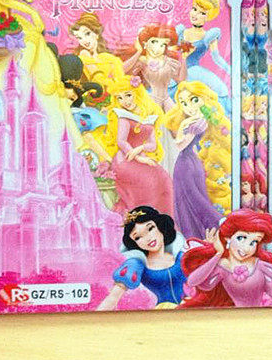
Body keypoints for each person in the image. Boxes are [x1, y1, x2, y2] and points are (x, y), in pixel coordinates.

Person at [180, 209, 272, 308]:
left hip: (258, 318)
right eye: (241, 238)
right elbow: (192, 281)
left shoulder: (261, 266)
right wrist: (218, 253)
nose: (247, 248)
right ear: (228, 238)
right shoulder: (222, 266)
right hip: (232, 318)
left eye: (254, 242)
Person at [163, 81, 231, 237]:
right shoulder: (196, 120)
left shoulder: (195, 122)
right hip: (191, 162)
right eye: (183, 103)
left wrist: (185, 131)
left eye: (194, 100)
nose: (189, 107)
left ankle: (217, 222)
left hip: (186, 164)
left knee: (191, 198)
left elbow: (179, 145)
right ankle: (204, 230)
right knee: (193, 197)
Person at [106, 75, 173, 216]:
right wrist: (139, 157)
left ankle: (159, 220)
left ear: (137, 93)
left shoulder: (149, 115)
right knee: (147, 180)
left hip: (140, 156)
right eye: (120, 98)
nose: (125, 101)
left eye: (128, 95)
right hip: (125, 159)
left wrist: (141, 149)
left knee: (163, 178)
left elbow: (153, 144)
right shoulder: (123, 116)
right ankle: (141, 217)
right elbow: (121, 142)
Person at [97, 207, 187, 310]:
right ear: (134, 243)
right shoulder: (136, 264)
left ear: (160, 226)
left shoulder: (182, 256)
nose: (148, 238)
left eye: (150, 228)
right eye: (138, 237)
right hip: (163, 314)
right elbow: (113, 297)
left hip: (193, 311)